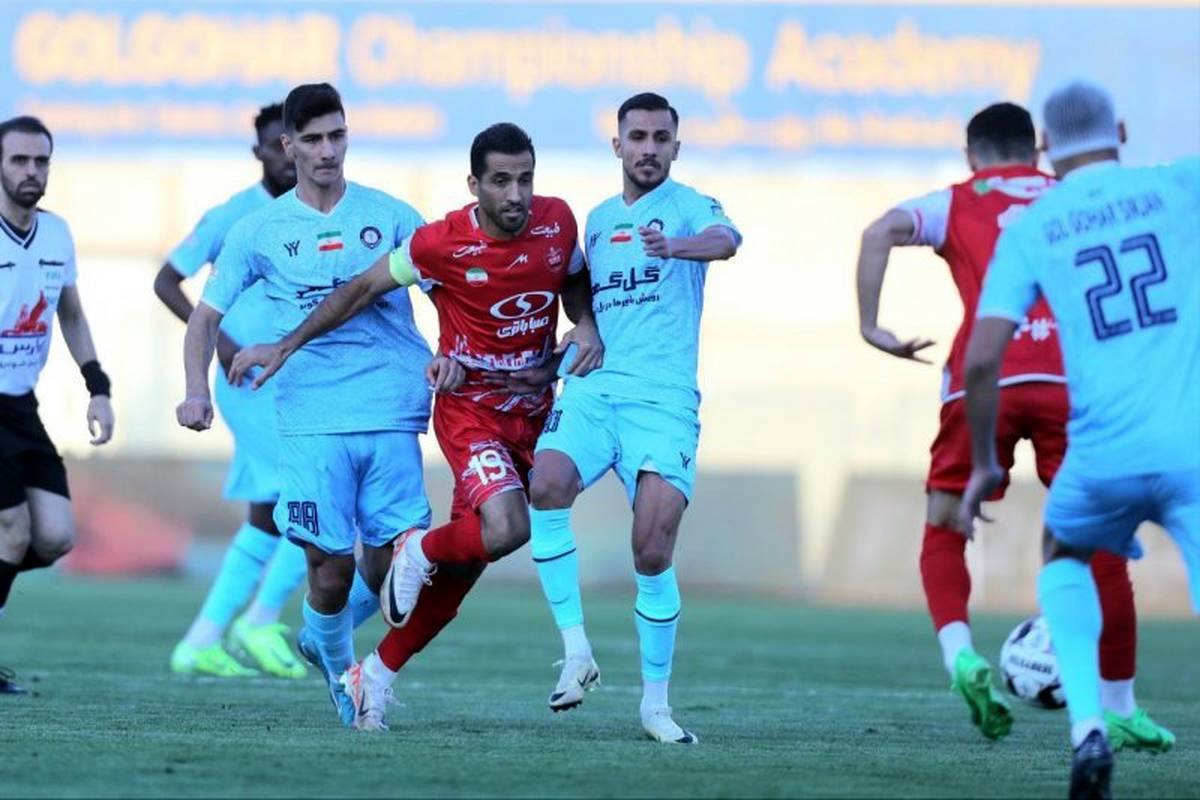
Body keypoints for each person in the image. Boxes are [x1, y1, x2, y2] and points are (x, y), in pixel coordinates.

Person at [229, 121, 601, 731]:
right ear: (474, 185)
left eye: (525, 179)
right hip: (470, 410)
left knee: (461, 572)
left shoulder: (558, 221)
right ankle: (417, 549)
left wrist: (583, 323)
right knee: (507, 527)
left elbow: (572, 277)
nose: (515, 195)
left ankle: (372, 675)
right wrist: (287, 344)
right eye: (501, 181)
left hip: (533, 412)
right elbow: (360, 289)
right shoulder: (438, 243)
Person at [856, 102, 1170, 749]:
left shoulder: (956, 200)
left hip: (983, 376)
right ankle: (1120, 707)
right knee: (1103, 546)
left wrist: (872, 325)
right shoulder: (1073, 196)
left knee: (946, 526)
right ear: (1038, 149)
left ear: (972, 155)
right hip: (1070, 380)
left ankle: (960, 656)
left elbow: (879, 231)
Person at [176, 83, 448, 723]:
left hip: (390, 410)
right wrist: (195, 390)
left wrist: (455, 352)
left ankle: (323, 640)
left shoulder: (392, 215)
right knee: (328, 571)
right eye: (314, 139)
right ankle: (343, 676)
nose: (328, 151)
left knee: (390, 567)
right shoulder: (257, 230)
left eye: (337, 136)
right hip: (309, 420)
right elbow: (204, 316)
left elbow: (449, 293)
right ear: (288, 145)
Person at [961, 81, 1198, 800]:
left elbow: (981, 358)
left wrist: (985, 462)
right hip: (1188, 445)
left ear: (1045, 147)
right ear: (1119, 130)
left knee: (1063, 553)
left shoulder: (1032, 227)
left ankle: (1089, 727)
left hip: (1099, 452)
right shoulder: (1180, 184)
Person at [524, 92, 741, 744]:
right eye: (637, 137)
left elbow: (726, 242)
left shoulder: (691, 206)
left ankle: (655, 706)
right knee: (545, 483)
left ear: (676, 146)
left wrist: (676, 247)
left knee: (650, 548)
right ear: (617, 144)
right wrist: (585, 324)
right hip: (596, 392)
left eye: (660, 138)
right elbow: (577, 285)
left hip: (664, 402)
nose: (648, 148)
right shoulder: (596, 220)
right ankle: (577, 652)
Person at [156, 102, 311, 679]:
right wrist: (219, 340)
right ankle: (261, 618)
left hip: (298, 380)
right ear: (260, 152)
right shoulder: (233, 215)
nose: (287, 156)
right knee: (317, 500)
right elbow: (166, 279)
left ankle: (200, 640)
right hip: (249, 380)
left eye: (293, 143)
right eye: (276, 145)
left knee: (267, 517)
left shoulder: (314, 214)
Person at [0, 116, 115, 694]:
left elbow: (70, 312)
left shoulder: (56, 234)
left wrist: (98, 385)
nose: (31, 171)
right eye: (19, 160)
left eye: (40, 161)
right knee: (12, 530)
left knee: (54, 537)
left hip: (23, 407)